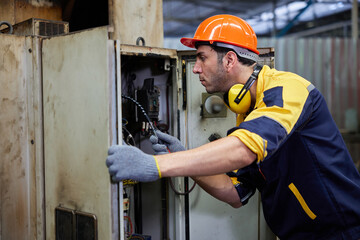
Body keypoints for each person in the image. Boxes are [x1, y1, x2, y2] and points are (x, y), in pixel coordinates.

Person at [106, 15, 360, 239]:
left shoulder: (287, 90)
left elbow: (243, 150)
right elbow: (235, 193)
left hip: (341, 231)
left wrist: (156, 166)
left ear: (229, 60)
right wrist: (179, 157)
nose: (195, 68)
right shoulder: (248, 116)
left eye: (202, 58)